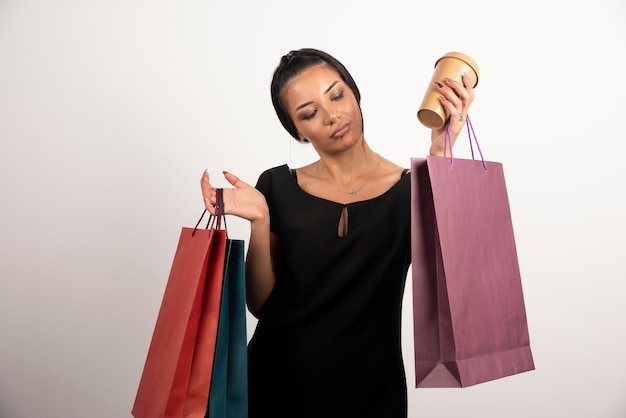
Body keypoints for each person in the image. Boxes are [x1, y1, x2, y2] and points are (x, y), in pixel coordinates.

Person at [200, 48, 474, 418]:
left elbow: (453, 272)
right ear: (296, 130)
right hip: (273, 389)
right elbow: (261, 305)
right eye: (309, 113)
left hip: (370, 395)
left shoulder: (412, 190)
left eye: (337, 94)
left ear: (354, 93)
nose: (332, 116)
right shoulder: (277, 184)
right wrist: (260, 221)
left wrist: (442, 153)